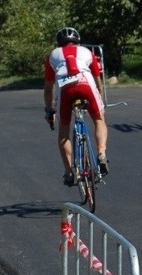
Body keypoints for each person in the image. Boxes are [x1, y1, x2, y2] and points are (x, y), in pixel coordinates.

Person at [43, 27, 109, 187]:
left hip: (65, 89)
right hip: (86, 83)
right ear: (78, 41)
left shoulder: (52, 55)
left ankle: (69, 172)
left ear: (59, 43)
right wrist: (99, 96)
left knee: (64, 130)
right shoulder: (87, 51)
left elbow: (48, 88)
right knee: (99, 120)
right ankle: (101, 153)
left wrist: (48, 109)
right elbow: (97, 78)